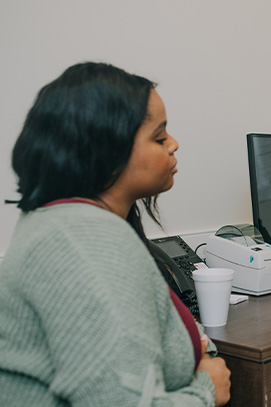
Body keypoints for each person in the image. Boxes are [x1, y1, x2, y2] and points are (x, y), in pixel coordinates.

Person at [0, 62, 231, 406]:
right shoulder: (86, 239)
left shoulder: (69, 223)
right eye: (159, 136)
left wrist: (200, 349)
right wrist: (205, 391)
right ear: (106, 149)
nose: (174, 144)